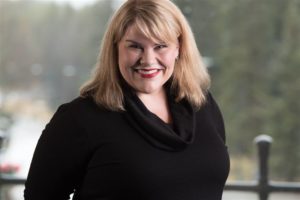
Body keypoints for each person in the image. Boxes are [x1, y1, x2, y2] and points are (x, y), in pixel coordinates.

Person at [24, 0, 230, 199]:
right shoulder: (79, 118)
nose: (148, 60)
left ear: (179, 48)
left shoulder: (202, 104)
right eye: (135, 46)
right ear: (115, 49)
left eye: (160, 46)